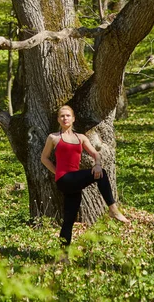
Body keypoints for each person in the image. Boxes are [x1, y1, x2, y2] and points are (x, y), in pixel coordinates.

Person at [41, 104, 129, 246]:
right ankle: (113, 209)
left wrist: (97, 164)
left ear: (73, 118)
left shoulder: (81, 138)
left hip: (75, 181)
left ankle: (62, 254)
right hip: (64, 179)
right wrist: (56, 172)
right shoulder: (53, 138)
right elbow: (44, 158)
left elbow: (95, 154)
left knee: (69, 219)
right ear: (58, 119)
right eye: (62, 116)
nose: (65, 118)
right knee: (101, 175)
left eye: (68, 115)